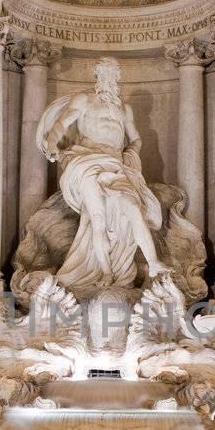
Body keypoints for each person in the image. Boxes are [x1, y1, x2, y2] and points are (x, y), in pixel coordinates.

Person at [34, 57, 167, 295]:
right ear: (97, 77)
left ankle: (154, 262)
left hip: (115, 165)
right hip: (87, 161)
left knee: (133, 207)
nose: (110, 78)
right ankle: (106, 271)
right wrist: (52, 141)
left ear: (117, 78)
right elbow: (61, 123)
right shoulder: (84, 100)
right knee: (98, 218)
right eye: (105, 74)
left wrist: (131, 153)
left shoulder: (124, 109)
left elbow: (135, 138)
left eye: (114, 74)